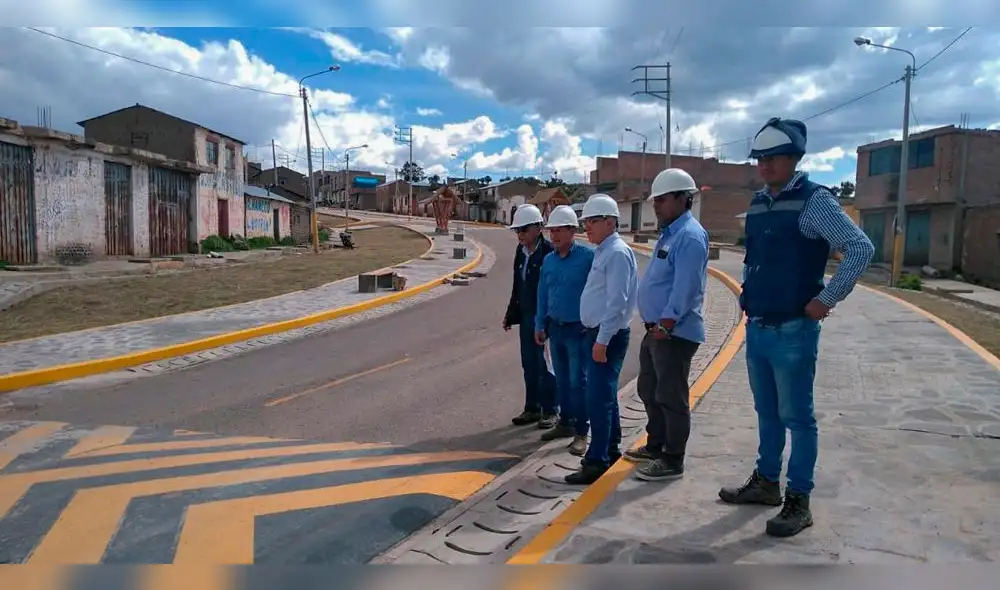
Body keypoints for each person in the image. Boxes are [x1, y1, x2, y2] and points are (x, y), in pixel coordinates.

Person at [718, 117, 875, 538]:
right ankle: (766, 482)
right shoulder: (758, 202)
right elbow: (755, 259)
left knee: (797, 418)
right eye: (760, 159)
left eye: (773, 158)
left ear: (794, 158)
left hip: (793, 330)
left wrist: (827, 299)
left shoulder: (814, 201)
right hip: (759, 327)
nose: (764, 166)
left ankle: (798, 500)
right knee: (766, 412)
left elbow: (860, 248)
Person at [626, 168, 710, 482]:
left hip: (673, 332)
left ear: (683, 198)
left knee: (671, 396)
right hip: (657, 330)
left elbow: (686, 287)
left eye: (661, 200)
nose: (656, 206)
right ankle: (656, 445)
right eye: (655, 201)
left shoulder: (689, 236)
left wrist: (667, 322)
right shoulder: (671, 233)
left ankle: (673, 459)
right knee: (649, 388)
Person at [564, 194, 639, 485]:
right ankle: (609, 448)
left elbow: (617, 302)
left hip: (607, 335)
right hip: (598, 333)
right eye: (586, 222)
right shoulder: (605, 250)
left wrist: (602, 340)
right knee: (605, 397)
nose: (587, 228)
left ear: (610, 221)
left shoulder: (617, 253)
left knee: (598, 399)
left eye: (592, 221)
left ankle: (596, 461)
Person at [534, 205, 594, 456]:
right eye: (551, 231)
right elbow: (543, 293)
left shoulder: (587, 258)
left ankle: (582, 431)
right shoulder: (549, 260)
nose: (554, 236)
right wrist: (539, 323)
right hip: (555, 329)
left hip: (578, 330)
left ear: (572, 230)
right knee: (561, 379)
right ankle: (566, 422)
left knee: (577, 381)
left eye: (559, 230)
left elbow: (597, 292)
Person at [503, 204, 559, 429]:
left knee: (545, 364)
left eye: (524, 230)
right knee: (529, 364)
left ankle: (550, 410)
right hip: (526, 315)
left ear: (538, 228)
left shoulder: (549, 252)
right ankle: (532, 408)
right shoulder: (520, 251)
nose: (520, 235)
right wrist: (511, 313)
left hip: (543, 317)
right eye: (517, 231)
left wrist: (546, 319)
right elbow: (518, 285)